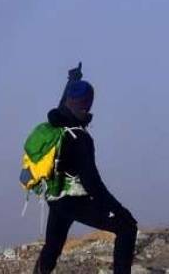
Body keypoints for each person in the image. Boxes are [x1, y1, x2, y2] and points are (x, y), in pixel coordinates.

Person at [33, 66, 137, 274]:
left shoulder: (56, 125)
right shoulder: (80, 138)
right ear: (87, 105)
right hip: (73, 200)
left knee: (52, 246)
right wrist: (118, 209)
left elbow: (65, 103)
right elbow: (92, 184)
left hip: (54, 196)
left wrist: (72, 81)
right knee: (127, 227)